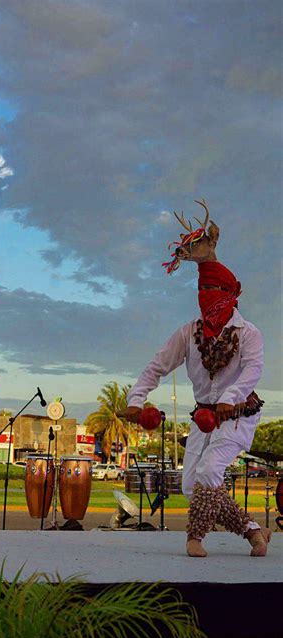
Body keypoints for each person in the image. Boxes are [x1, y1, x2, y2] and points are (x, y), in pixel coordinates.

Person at [124, 203, 270, 557]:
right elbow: (156, 366)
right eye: (203, 296)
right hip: (203, 418)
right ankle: (253, 530)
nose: (208, 303)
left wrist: (230, 398)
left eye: (214, 295)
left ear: (229, 296)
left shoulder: (249, 333)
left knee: (208, 471)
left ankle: (195, 538)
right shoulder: (188, 333)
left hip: (238, 416)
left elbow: (252, 372)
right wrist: (136, 400)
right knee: (192, 485)